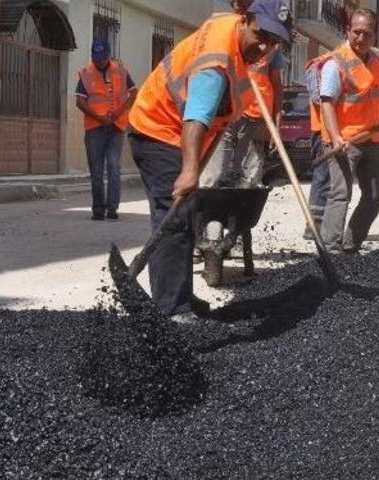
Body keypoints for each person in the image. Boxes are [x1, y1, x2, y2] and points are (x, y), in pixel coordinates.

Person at [128, 0, 292, 322]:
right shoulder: (217, 61)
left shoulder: (240, 48)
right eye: (260, 35)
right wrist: (190, 171)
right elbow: (197, 118)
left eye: (273, 42)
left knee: (187, 217)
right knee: (172, 218)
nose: (265, 47)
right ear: (245, 19)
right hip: (158, 130)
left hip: (176, 128)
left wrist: (200, 162)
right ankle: (171, 309)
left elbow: (219, 121)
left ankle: (181, 296)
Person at [310, 8, 379, 253]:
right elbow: (327, 103)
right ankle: (330, 248)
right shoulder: (336, 63)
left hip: (371, 137)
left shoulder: (377, 58)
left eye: (367, 34)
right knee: (340, 194)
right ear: (348, 31)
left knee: (375, 195)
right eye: (356, 32)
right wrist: (335, 137)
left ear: (375, 36)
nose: (360, 38)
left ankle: (350, 244)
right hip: (343, 140)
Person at [198, 0, 286, 188]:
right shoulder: (223, 32)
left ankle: (237, 213)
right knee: (214, 172)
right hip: (227, 112)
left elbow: (277, 86)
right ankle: (205, 207)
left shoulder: (272, 44)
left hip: (257, 116)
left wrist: (276, 126)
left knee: (247, 178)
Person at [75, 39, 138, 221]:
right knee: (96, 170)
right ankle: (98, 210)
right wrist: (99, 117)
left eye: (103, 58)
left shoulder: (120, 70)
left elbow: (134, 93)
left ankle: (112, 208)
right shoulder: (86, 73)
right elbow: (79, 101)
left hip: (116, 127)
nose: (100, 61)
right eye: (97, 58)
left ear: (109, 54)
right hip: (95, 128)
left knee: (113, 166)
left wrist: (119, 111)